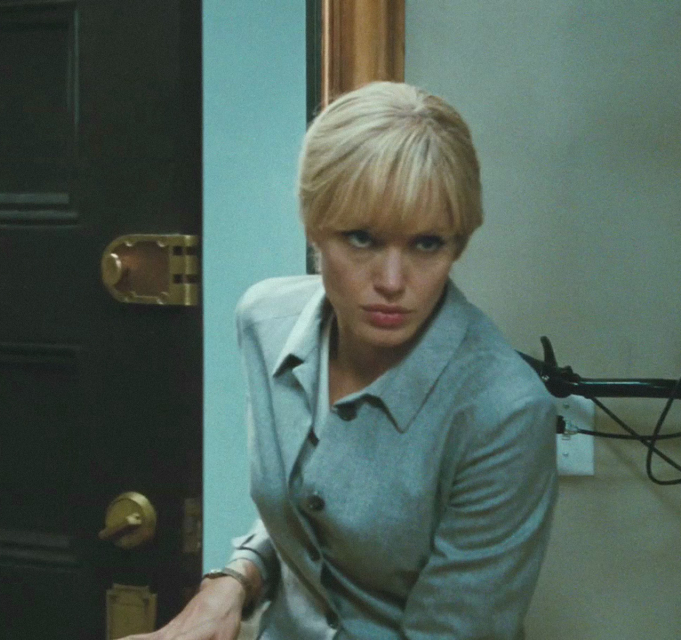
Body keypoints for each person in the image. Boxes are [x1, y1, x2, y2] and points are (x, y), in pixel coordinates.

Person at [128, 81, 558, 640]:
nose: (392, 282)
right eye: (362, 238)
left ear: (459, 243)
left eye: (427, 244)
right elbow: (312, 507)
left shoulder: (504, 411)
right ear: (313, 226)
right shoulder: (264, 323)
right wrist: (231, 583)